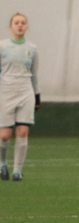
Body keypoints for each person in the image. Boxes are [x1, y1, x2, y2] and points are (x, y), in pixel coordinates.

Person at [0, 13, 40, 182]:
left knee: (22, 131)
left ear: (27, 26)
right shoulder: (2, 46)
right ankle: (2, 164)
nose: (20, 25)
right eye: (16, 23)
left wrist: (37, 96)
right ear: (10, 26)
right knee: (4, 136)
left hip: (25, 93)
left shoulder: (32, 48)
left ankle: (17, 171)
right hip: (5, 92)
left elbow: (34, 74)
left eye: (23, 22)